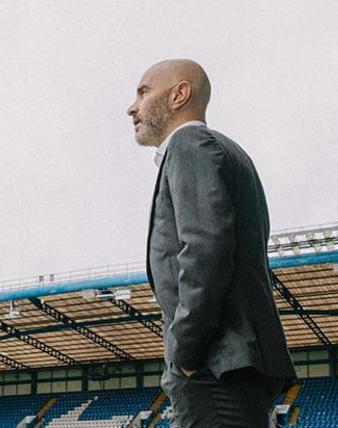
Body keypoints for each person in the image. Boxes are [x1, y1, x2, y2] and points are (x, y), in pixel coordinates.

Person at [127, 59, 296, 427]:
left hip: (213, 365)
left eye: (143, 93)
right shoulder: (228, 151)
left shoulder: (189, 143)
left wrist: (185, 353)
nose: (132, 107)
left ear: (179, 94)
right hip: (228, 365)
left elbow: (205, 250)